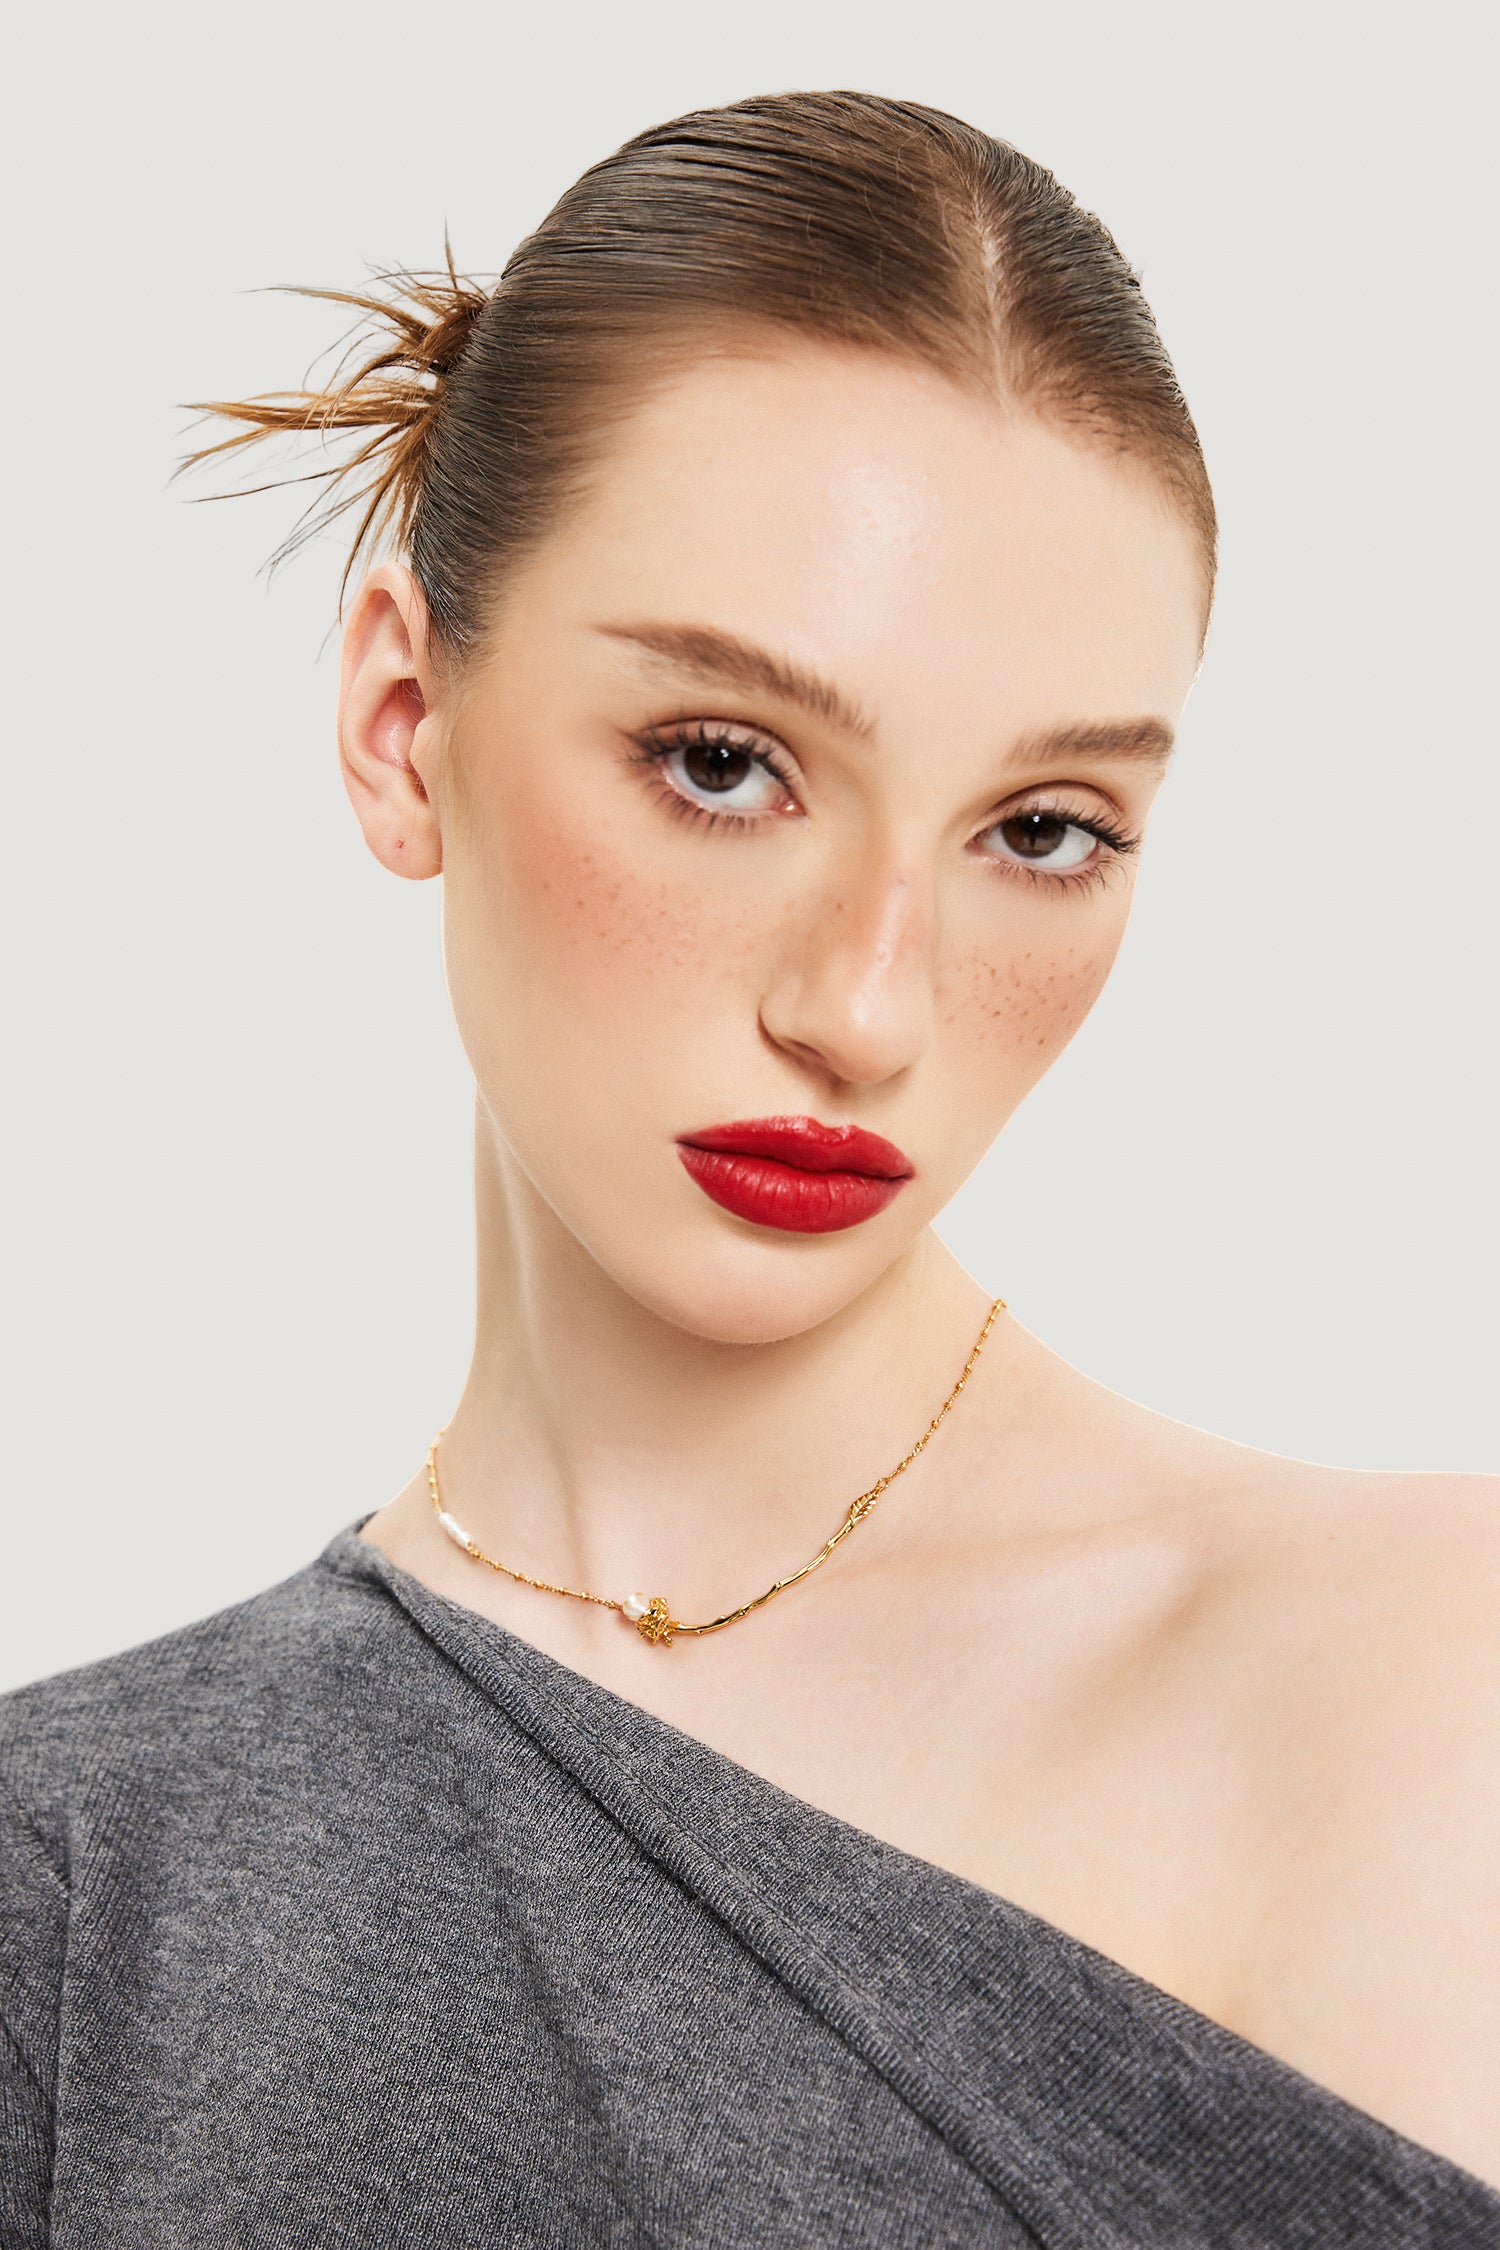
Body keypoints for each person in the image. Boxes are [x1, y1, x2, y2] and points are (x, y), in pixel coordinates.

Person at [1, 90, 1495, 2248]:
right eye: (724, 764)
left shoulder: (1437, 1678)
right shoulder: (69, 1895)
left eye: (1042, 829)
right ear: (406, 722)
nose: (867, 1007)